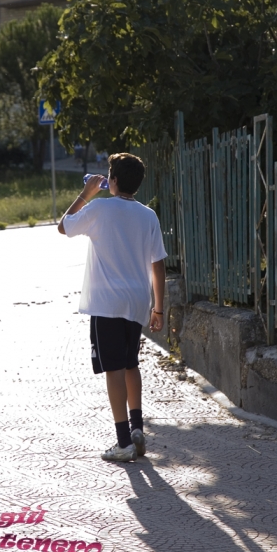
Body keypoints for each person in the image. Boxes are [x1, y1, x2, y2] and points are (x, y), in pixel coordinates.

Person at [58, 153, 167, 462]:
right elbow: (158, 266)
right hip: (137, 299)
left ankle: (123, 442)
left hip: (107, 301)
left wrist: (86, 194)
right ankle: (137, 429)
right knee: (131, 363)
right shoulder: (149, 215)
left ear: (113, 181)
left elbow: (63, 227)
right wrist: (158, 309)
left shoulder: (99, 207)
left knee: (113, 369)